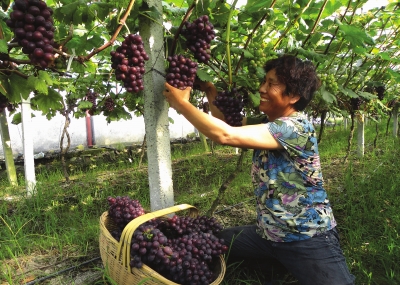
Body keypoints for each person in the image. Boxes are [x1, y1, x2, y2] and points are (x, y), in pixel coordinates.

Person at [163, 54, 355, 285]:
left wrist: (182, 104)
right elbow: (229, 123)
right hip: (267, 233)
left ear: (294, 95)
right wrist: (209, 89)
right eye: (264, 81)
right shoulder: (269, 124)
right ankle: (275, 260)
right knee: (213, 241)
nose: (262, 88)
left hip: (306, 236)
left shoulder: (294, 127)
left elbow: (226, 135)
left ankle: (285, 261)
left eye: (271, 84)